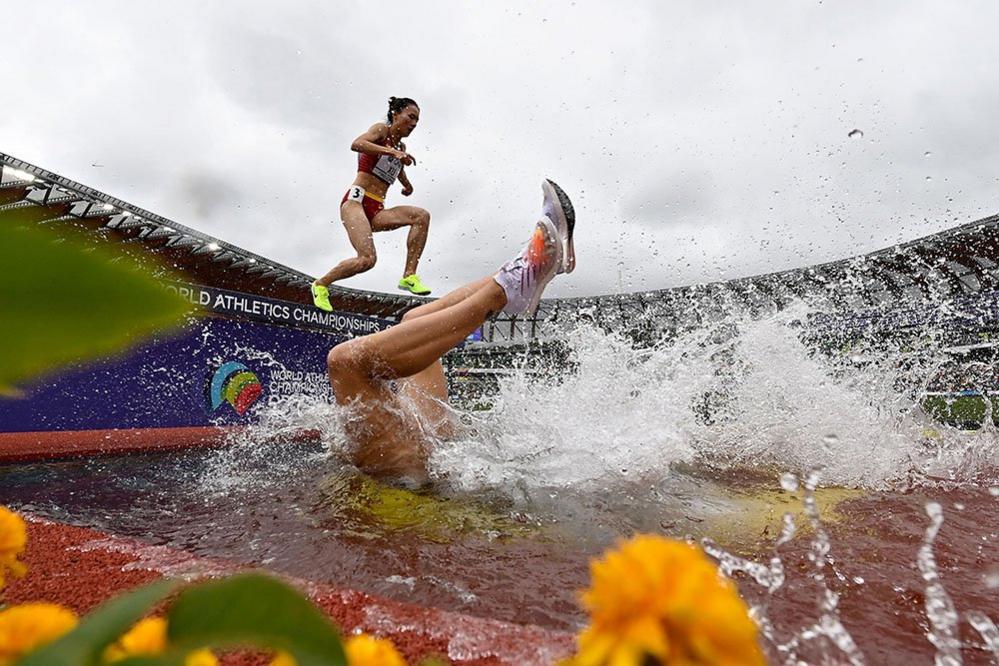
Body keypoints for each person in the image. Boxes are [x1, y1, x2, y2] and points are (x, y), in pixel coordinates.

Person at [326, 180, 576, 483]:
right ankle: (509, 286)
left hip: (431, 451)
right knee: (346, 362)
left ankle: (530, 268)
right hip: (404, 483)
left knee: (414, 317)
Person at [311, 96, 433, 312]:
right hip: (355, 202)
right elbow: (357, 144)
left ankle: (409, 275)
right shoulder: (381, 131)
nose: (414, 124)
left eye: (417, 121)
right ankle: (320, 285)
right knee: (367, 260)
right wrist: (392, 152)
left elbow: (397, 168)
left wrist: (407, 185)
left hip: (377, 210)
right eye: (410, 117)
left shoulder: (400, 146)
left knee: (421, 216)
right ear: (396, 115)